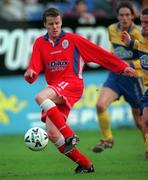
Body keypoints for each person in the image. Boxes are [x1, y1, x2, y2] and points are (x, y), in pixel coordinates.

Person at [24, 7, 136, 173]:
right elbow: (34, 66)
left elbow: (99, 54)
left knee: (40, 97)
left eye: (57, 23)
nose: (54, 27)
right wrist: (30, 74)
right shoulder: (40, 43)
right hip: (56, 91)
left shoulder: (73, 40)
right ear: (45, 25)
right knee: (54, 134)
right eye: (51, 24)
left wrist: (121, 67)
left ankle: (70, 135)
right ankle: (86, 164)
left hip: (72, 84)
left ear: (61, 22)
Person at [92, 1, 145, 153]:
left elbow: (144, 58)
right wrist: (112, 58)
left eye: (127, 15)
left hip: (133, 79)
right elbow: (115, 49)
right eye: (121, 15)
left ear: (133, 16)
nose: (124, 18)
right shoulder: (111, 29)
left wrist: (128, 64)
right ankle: (108, 139)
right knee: (100, 105)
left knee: (140, 122)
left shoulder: (139, 33)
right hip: (115, 76)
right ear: (117, 16)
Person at [121, 7, 148, 159]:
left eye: (147, 23)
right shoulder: (143, 40)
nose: (144, 26)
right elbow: (140, 50)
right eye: (142, 22)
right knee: (144, 121)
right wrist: (130, 42)